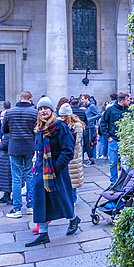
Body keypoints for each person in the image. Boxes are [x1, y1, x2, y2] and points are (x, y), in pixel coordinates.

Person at [26, 98, 80, 246]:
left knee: (61, 198)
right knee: (40, 200)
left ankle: (73, 218)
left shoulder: (60, 127)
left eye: (46, 108)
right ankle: (43, 233)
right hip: (40, 170)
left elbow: (68, 151)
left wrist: (56, 167)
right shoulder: (39, 128)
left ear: (51, 110)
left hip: (55, 170)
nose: (43, 111)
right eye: (40, 109)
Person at [2, 91, 39, 218]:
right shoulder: (34, 113)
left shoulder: (9, 112)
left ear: (19, 98)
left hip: (15, 147)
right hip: (30, 146)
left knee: (16, 178)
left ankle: (17, 208)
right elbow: (37, 130)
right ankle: (30, 205)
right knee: (30, 175)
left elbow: (4, 130)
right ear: (31, 99)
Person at [100, 92, 131, 184]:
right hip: (114, 139)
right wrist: (108, 137)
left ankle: (124, 181)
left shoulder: (129, 110)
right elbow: (103, 123)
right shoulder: (110, 110)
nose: (130, 102)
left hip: (126, 141)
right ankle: (114, 182)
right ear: (122, 101)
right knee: (113, 162)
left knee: (125, 163)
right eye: (128, 100)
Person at [59, 103, 85, 212]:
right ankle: (67, 200)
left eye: (64, 116)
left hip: (73, 157)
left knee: (73, 180)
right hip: (66, 156)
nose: (62, 118)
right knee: (67, 179)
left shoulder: (77, 126)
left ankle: (73, 200)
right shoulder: (62, 124)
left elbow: (75, 141)